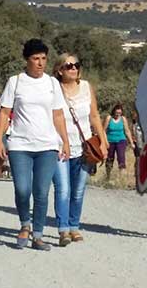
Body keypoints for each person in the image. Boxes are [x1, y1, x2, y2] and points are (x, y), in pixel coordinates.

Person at [0, 39, 70, 251]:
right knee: (22, 189)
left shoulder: (52, 83)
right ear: (27, 60)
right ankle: (24, 224)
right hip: (20, 144)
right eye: (35, 58)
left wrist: (65, 141)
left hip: (47, 145)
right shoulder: (15, 82)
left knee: (41, 191)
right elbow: (4, 112)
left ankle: (37, 235)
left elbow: (58, 114)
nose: (40, 63)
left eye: (44, 59)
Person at [52, 53, 107, 246]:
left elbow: (94, 115)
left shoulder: (86, 87)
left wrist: (103, 139)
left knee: (78, 190)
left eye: (76, 65)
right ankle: (63, 229)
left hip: (84, 147)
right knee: (63, 189)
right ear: (60, 70)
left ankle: (74, 226)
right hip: (59, 146)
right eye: (69, 66)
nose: (74, 68)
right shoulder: (53, 89)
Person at [102, 104, 136, 179]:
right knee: (109, 159)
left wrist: (131, 142)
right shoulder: (109, 118)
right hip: (110, 141)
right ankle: (108, 177)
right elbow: (103, 131)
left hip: (121, 140)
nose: (118, 115)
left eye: (119, 113)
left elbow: (127, 131)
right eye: (117, 113)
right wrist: (104, 141)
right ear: (114, 111)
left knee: (121, 158)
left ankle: (121, 179)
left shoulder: (123, 119)